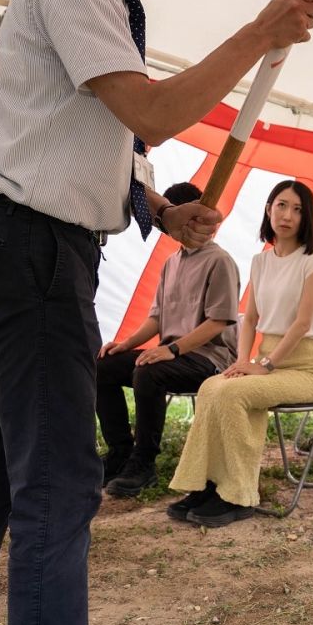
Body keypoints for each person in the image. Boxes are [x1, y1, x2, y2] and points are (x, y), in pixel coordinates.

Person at [0, 0, 313, 625]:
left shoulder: (113, 4)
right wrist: (257, 34)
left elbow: (114, 136)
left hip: (44, 247)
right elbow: (149, 110)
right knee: (62, 484)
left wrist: (159, 212)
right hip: (37, 249)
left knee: (0, 470)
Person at [167, 180, 313, 527]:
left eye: (298, 209)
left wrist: (265, 364)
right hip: (267, 361)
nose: (287, 215)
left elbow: (301, 324)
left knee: (236, 394)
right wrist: (243, 362)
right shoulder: (260, 261)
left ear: (307, 218)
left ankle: (238, 495)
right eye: (281, 205)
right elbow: (250, 318)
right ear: (269, 209)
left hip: (305, 369)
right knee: (212, 386)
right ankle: (205, 485)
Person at [96, 181, 240, 497]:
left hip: (211, 361)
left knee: (149, 371)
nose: (169, 227)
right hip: (174, 355)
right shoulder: (171, 263)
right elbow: (157, 318)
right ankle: (121, 452)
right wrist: (126, 344)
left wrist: (171, 350)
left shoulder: (220, 261)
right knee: (103, 366)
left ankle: (144, 463)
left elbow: (219, 321)